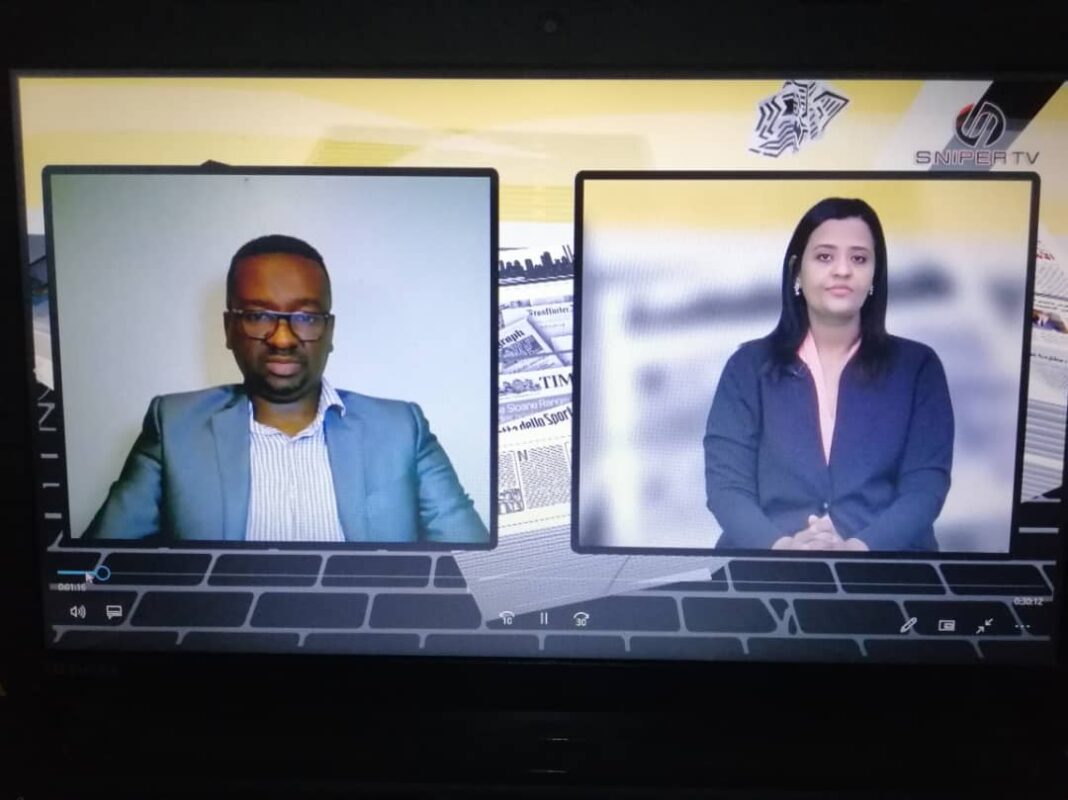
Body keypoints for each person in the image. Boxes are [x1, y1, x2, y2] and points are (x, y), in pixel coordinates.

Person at [84, 234, 489, 544]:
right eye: (258, 315)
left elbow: (477, 568)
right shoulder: (174, 426)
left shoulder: (401, 428)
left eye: (306, 317)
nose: (282, 338)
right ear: (229, 328)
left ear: (329, 331)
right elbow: (97, 572)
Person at [703, 198, 953, 552]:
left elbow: (925, 488)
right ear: (796, 272)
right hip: (766, 569)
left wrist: (857, 550)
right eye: (824, 257)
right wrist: (784, 549)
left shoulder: (918, 367)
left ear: (875, 276)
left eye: (859, 259)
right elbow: (727, 488)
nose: (842, 270)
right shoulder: (747, 367)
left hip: (887, 571)